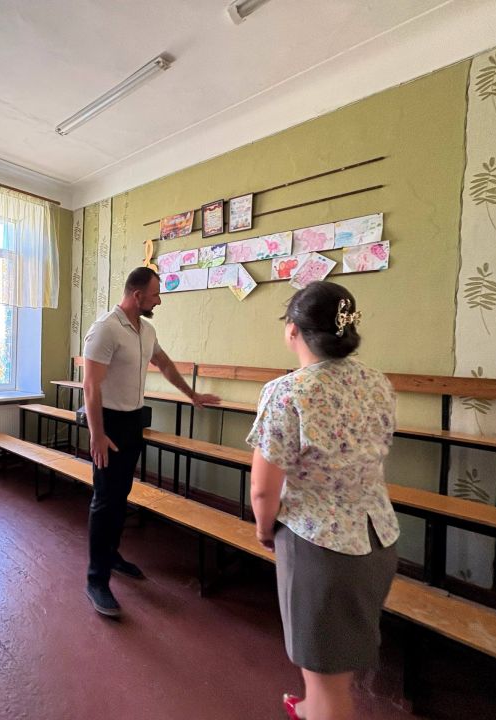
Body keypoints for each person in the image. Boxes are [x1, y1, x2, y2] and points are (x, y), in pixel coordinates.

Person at [246, 281, 399, 720]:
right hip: (377, 538)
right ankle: (310, 705)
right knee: (333, 661)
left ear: (293, 330)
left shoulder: (288, 392)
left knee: (327, 676)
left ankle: (319, 707)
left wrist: (264, 529)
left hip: (321, 546)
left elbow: (263, 488)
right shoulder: (377, 383)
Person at [82, 267, 219, 618]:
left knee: (121, 495)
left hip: (133, 422)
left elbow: (165, 364)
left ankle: (112, 555)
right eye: (156, 294)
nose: (159, 301)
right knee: (105, 500)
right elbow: (91, 386)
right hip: (108, 423)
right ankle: (96, 580)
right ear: (137, 295)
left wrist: (192, 394)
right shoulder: (106, 328)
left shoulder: (147, 330)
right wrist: (97, 434)